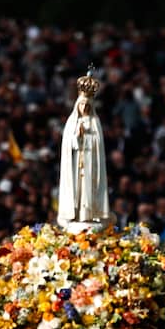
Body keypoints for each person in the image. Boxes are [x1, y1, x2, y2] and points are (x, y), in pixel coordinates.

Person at [57, 69, 111, 230]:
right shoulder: (72, 121)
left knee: (88, 187)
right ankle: (75, 213)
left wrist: (88, 137)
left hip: (90, 161)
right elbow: (68, 144)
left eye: (87, 104)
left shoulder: (95, 122)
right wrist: (77, 137)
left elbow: (98, 143)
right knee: (77, 188)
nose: (84, 107)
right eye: (81, 104)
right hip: (77, 160)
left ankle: (89, 214)